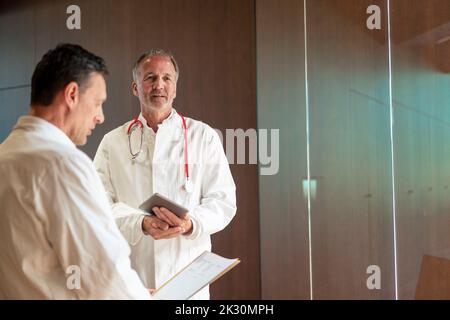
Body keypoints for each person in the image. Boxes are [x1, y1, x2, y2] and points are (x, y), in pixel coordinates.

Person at [0, 43, 151, 299]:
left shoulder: (6, 155)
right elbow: (104, 274)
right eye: (97, 103)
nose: (100, 116)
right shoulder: (63, 164)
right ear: (71, 94)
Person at [93, 49, 236, 299]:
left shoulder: (203, 136)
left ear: (175, 88)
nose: (159, 85)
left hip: (188, 279)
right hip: (134, 278)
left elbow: (224, 202)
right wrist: (140, 223)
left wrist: (190, 223)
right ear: (135, 87)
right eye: (150, 78)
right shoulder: (111, 142)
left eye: (167, 78)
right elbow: (98, 206)